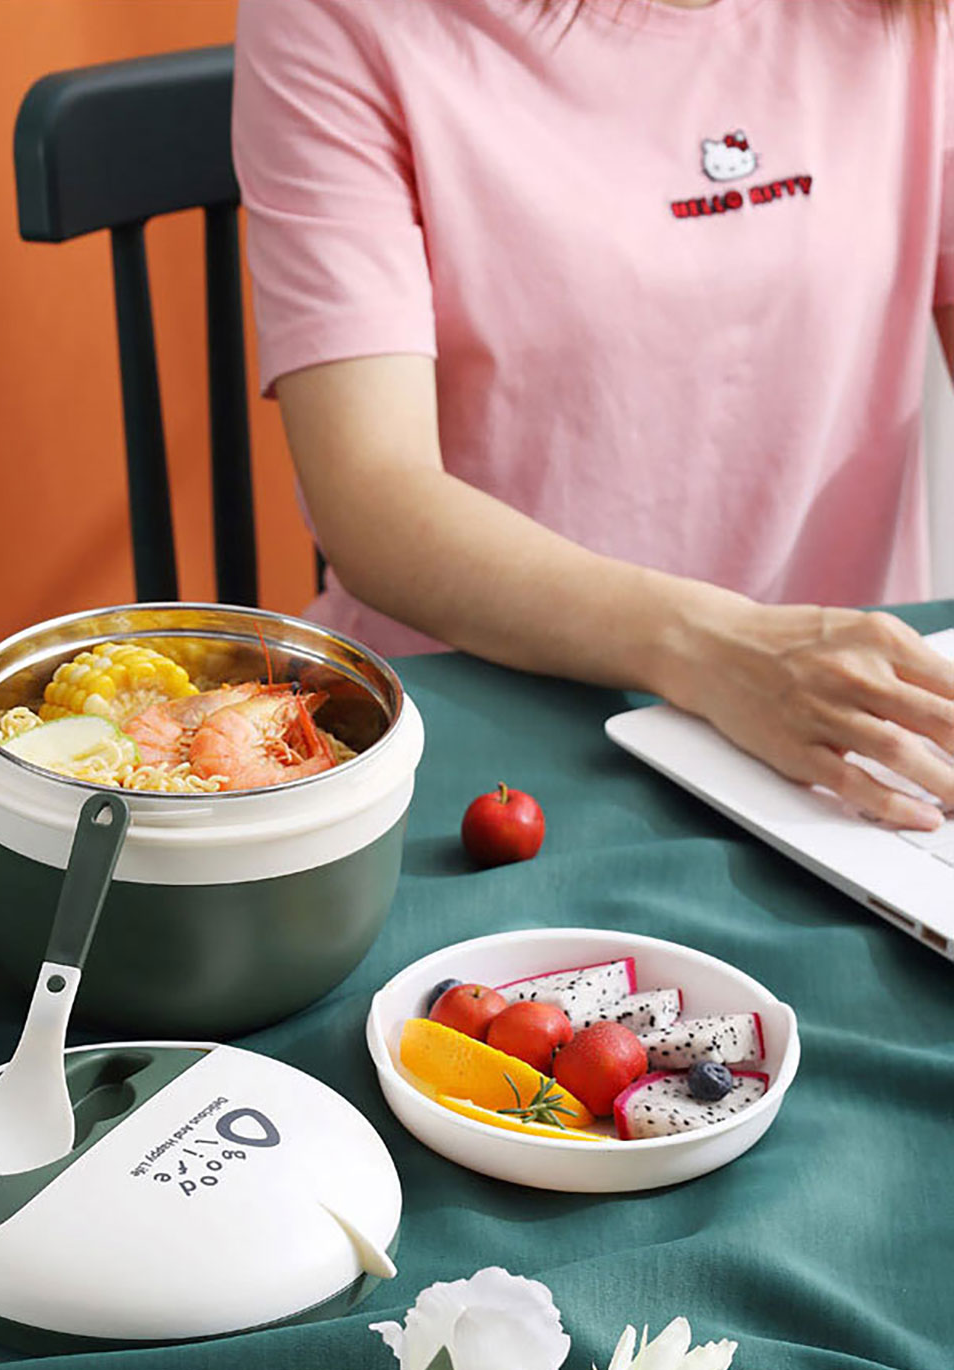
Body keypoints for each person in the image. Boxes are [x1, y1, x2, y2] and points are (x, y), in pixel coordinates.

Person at [232, 0, 954, 829]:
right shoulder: (337, 17)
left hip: (856, 750)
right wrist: (723, 650)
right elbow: (371, 497)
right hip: (493, 748)